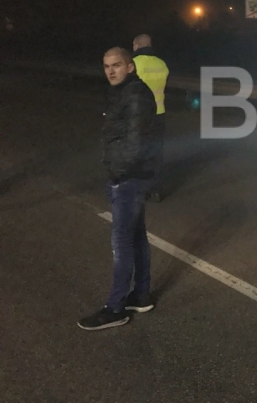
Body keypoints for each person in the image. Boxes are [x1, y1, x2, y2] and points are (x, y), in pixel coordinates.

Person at [78, 47, 157, 330]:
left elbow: (136, 143)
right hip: (132, 176)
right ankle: (141, 296)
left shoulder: (134, 95)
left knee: (121, 243)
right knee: (136, 237)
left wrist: (117, 174)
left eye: (116, 65)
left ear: (130, 66)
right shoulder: (124, 92)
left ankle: (115, 308)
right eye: (106, 66)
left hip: (128, 178)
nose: (111, 71)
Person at [132, 34, 169, 201]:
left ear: (137, 45)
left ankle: (141, 189)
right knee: (156, 153)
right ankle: (156, 190)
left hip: (139, 115)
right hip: (159, 113)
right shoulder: (162, 64)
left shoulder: (134, 64)